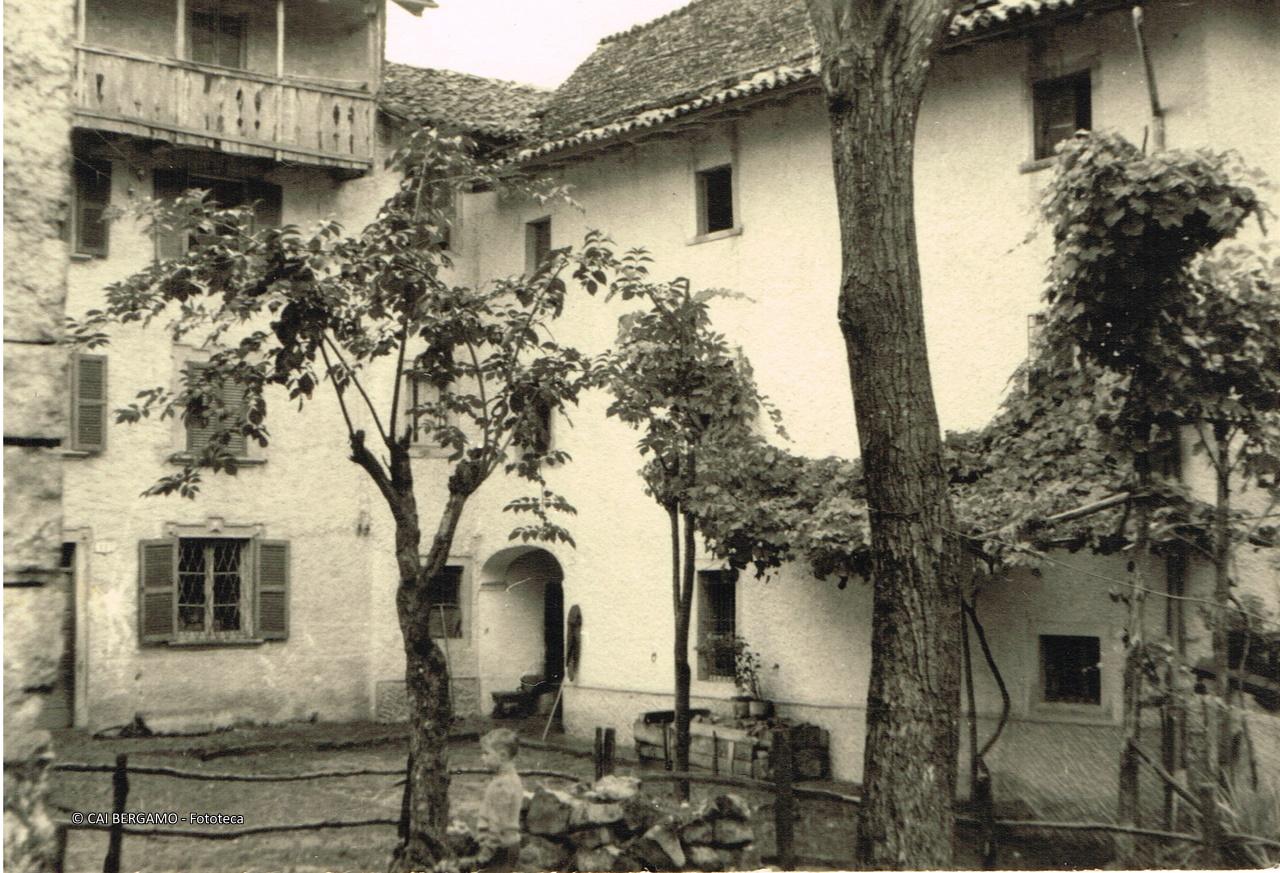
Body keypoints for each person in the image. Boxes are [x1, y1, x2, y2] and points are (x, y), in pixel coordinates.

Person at [436, 728, 523, 873]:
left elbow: (497, 825)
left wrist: (485, 855)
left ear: (502, 756)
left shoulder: (500, 786)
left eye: (486, 753)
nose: (482, 757)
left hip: (498, 849)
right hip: (511, 845)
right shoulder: (513, 779)